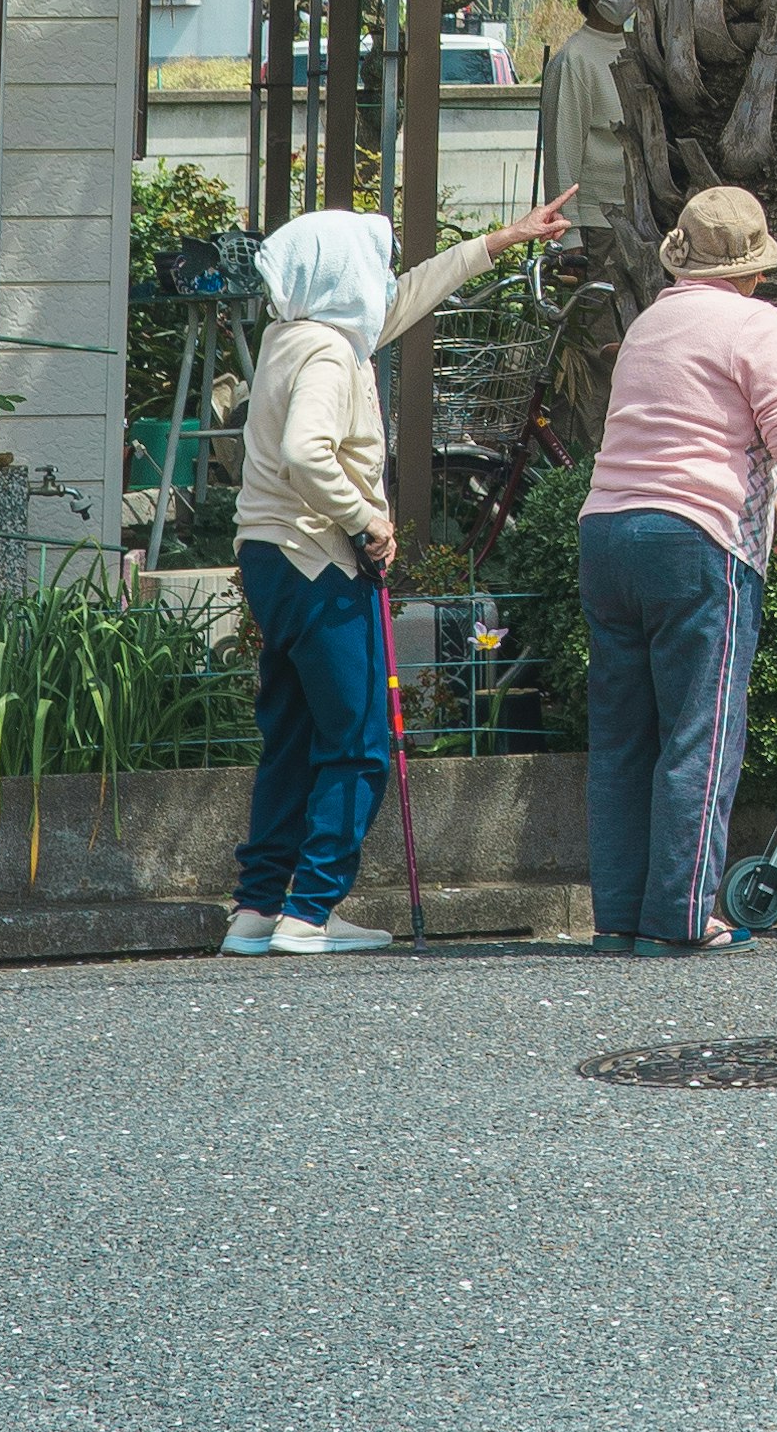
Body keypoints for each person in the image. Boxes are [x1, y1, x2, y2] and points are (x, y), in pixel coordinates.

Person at [227, 195, 571, 956]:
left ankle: (258, 907)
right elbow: (305, 450)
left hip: (268, 553)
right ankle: (310, 911)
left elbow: (410, 294)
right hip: (318, 557)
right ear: (343, 276)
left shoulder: (299, 334)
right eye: (370, 265)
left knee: (291, 732)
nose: (382, 277)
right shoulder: (327, 353)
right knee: (359, 739)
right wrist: (367, 520)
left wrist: (499, 241)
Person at [580, 183, 777, 953]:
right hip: (697, 548)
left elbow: (677, 436)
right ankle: (683, 919)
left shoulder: (652, 320)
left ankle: (621, 916)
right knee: (702, 731)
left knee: (625, 739)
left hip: (607, 534)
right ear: (752, 266)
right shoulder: (757, 322)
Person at [531, 0, 642, 265]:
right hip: (597, 226)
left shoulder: (643, 49)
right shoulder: (574, 59)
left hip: (643, 218)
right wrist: (570, 236)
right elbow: (562, 151)